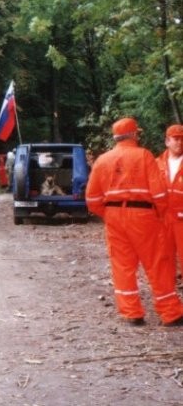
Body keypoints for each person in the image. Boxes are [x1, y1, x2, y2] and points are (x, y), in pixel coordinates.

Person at [86, 117, 183, 326]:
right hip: (143, 216)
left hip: (113, 217)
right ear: (133, 134)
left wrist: (110, 213)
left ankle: (132, 313)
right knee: (157, 263)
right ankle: (171, 314)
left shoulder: (102, 160)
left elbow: (92, 199)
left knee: (122, 265)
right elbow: (159, 194)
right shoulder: (144, 156)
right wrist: (159, 214)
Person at [156, 124, 183, 279]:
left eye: (182, 139)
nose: (180, 142)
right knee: (163, 258)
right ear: (167, 141)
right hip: (162, 219)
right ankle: (167, 293)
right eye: (176, 139)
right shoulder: (156, 163)